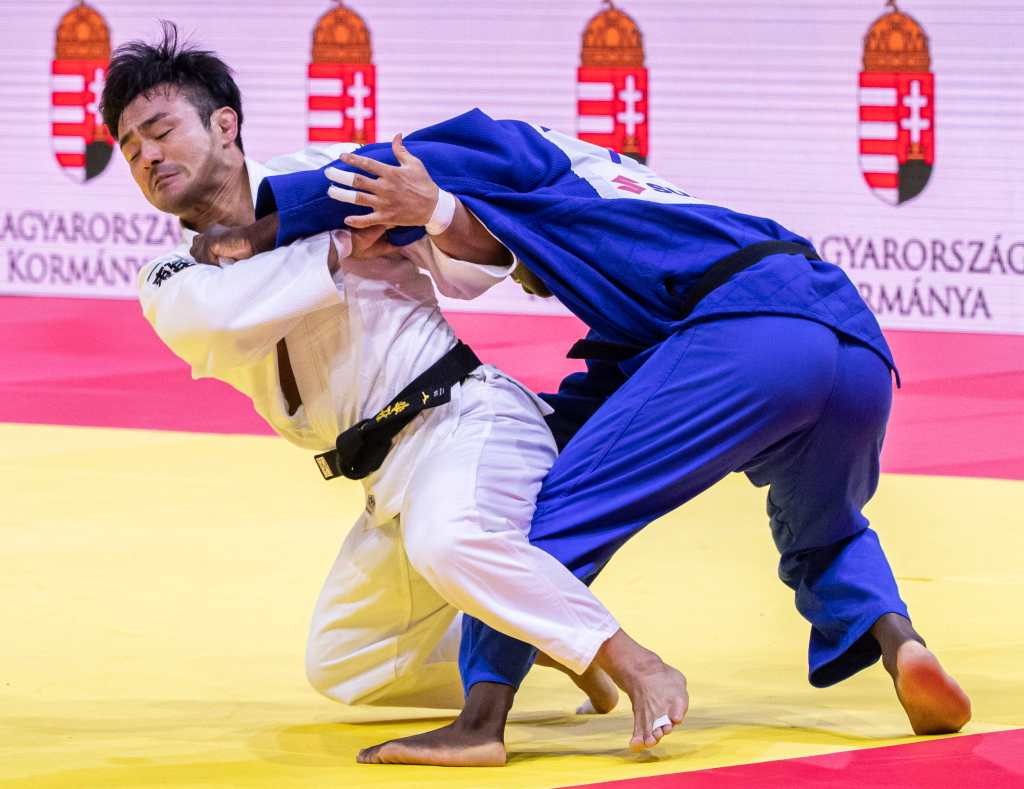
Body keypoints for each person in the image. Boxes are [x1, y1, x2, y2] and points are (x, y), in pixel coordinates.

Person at [209, 108, 972, 766]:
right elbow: (601, 394)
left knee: (548, 520)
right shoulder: (639, 202)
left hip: (751, 337)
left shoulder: (528, 156)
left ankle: (482, 719)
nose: (525, 279)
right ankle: (901, 644)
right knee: (826, 529)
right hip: (853, 343)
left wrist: (263, 224)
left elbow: (406, 166)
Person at [100, 26, 689, 767]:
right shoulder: (170, 273)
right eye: (130, 149)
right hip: (384, 479)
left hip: (463, 419)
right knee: (345, 661)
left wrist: (426, 213)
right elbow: (218, 321)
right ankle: (546, 640)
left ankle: (637, 664)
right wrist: (339, 245)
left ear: (224, 124)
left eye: (160, 132)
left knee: (450, 541)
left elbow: (470, 270)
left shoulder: (329, 182)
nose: (147, 157)